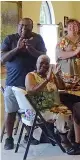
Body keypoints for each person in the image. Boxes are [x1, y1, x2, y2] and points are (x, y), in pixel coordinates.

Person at [1, 18, 47, 150]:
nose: (24, 28)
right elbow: (2, 59)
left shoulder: (37, 39)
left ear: (32, 28)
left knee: (33, 111)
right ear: (17, 26)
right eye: (21, 25)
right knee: (11, 112)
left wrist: (31, 49)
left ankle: (32, 135)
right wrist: (17, 49)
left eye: (27, 26)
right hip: (13, 83)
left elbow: (43, 57)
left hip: (33, 82)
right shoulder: (10, 39)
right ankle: (9, 139)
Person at [25, 55, 71, 147]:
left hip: (54, 107)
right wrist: (46, 80)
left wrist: (57, 75)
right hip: (39, 109)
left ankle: (72, 137)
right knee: (62, 115)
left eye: (47, 63)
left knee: (74, 110)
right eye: (41, 62)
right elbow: (31, 90)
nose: (44, 65)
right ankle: (65, 141)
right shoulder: (30, 76)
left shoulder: (51, 76)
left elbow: (62, 87)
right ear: (36, 64)